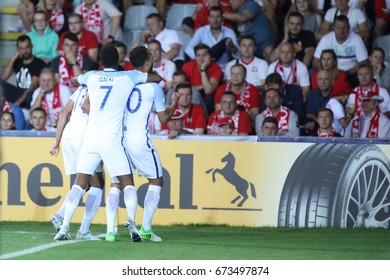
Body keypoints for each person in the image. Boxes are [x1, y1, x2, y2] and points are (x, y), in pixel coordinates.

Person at [53, 44, 161, 241]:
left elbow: (76, 79)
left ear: (100, 61)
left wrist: (83, 79)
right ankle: (131, 221)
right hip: (111, 139)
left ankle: (65, 226)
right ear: (119, 60)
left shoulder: (92, 76)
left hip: (90, 138)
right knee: (127, 183)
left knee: (79, 184)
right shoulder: (128, 76)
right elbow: (156, 78)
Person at [120, 50, 181, 241]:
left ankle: (112, 230)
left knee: (120, 182)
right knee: (156, 181)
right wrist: (175, 103)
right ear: (147, 62)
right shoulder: (154, 87)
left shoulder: (124, 81)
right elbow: (164, 119)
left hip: (121, 138)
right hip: (140, 140)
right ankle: (146, 228)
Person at [49, 85, 105, 240]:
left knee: (83, 183)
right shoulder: (103, 88)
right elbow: (86, 106)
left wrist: (56, 140)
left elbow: (65, 111)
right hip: (84, 137)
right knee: (97, 184)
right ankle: (82, 230)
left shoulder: (82, 87)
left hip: (68, 136)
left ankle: (60, 215)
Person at [313, 15, 368, 87]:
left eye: (344, 28)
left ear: (349, 27)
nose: (341, 31)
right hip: (328, 72)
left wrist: (347, 73)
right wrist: (327, 71)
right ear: (334, 28)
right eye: (338, 28)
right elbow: (315, 61)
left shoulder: (356, 39)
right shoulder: (326, 39)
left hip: (350, 74)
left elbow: (364, 62)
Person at [1, 35, 46, 110]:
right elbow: (4, 77)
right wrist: (13, 58)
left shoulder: (39, 63)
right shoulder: (17, 61)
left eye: (27, 47)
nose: (25, 51)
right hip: (18, 93)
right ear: (18, 49)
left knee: (29, 95)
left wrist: (17, 103)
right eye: (21, 48)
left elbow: (33, 86)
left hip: (31, 94)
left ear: (32, 46)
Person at [182, 43, 223, 115]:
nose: (201, 58)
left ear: (209, 56)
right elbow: (181, 87)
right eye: (198, 55)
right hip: (191, 94)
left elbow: (208, 90)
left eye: (204, 55)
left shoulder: (216, 68)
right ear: (195, 57)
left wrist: (203, 69)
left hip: (208, 97)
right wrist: (201, 87)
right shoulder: (187, 66)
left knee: (209, 97)